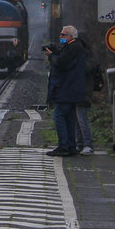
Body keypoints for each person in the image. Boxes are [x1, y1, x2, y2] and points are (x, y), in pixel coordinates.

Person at [45, 25, 87, 157]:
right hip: (71, 88)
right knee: (69, 117)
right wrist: (56, 54)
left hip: (67, 88)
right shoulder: (75, 48)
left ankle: (63, 146)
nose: (61, 37)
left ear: (70, 36)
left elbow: (62, 64)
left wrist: (52, 57)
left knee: (59, 116)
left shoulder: (73, 48)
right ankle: (71, 146)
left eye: (63, 35)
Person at [74, 30, 99, 155]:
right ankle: (79, 144)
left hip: (84, 90)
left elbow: (86, 68)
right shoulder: (84, 55)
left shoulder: (88, 56)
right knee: (77, 120)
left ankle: (87, 144)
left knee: (82, 119)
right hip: (77, 90)